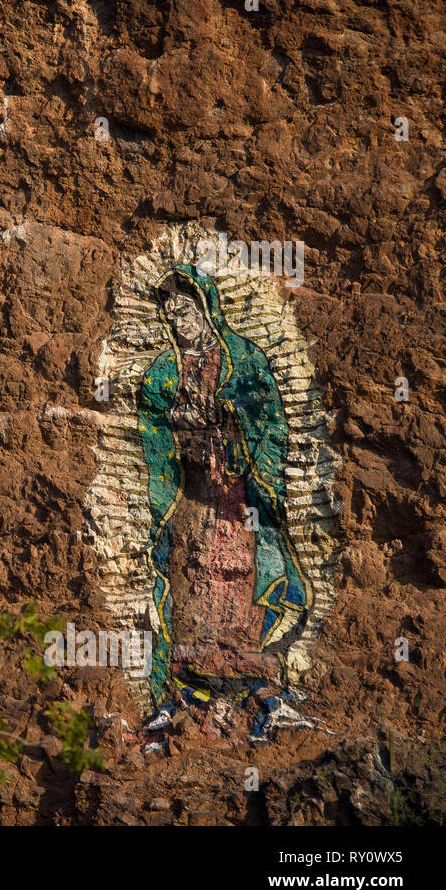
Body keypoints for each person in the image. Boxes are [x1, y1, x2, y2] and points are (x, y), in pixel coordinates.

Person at [135, 265, 315, 744]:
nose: (179, 320)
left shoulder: (245, 360)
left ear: (207, 307)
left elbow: (270, 423)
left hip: (236, 500)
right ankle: (182, 694)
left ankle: (261, 694)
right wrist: (175, 421)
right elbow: (151, 425)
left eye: (186, 309)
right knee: (189, 580)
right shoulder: (164, 371)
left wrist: (228, 418)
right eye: (171, 313)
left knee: (235, 580)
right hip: (188, 497)